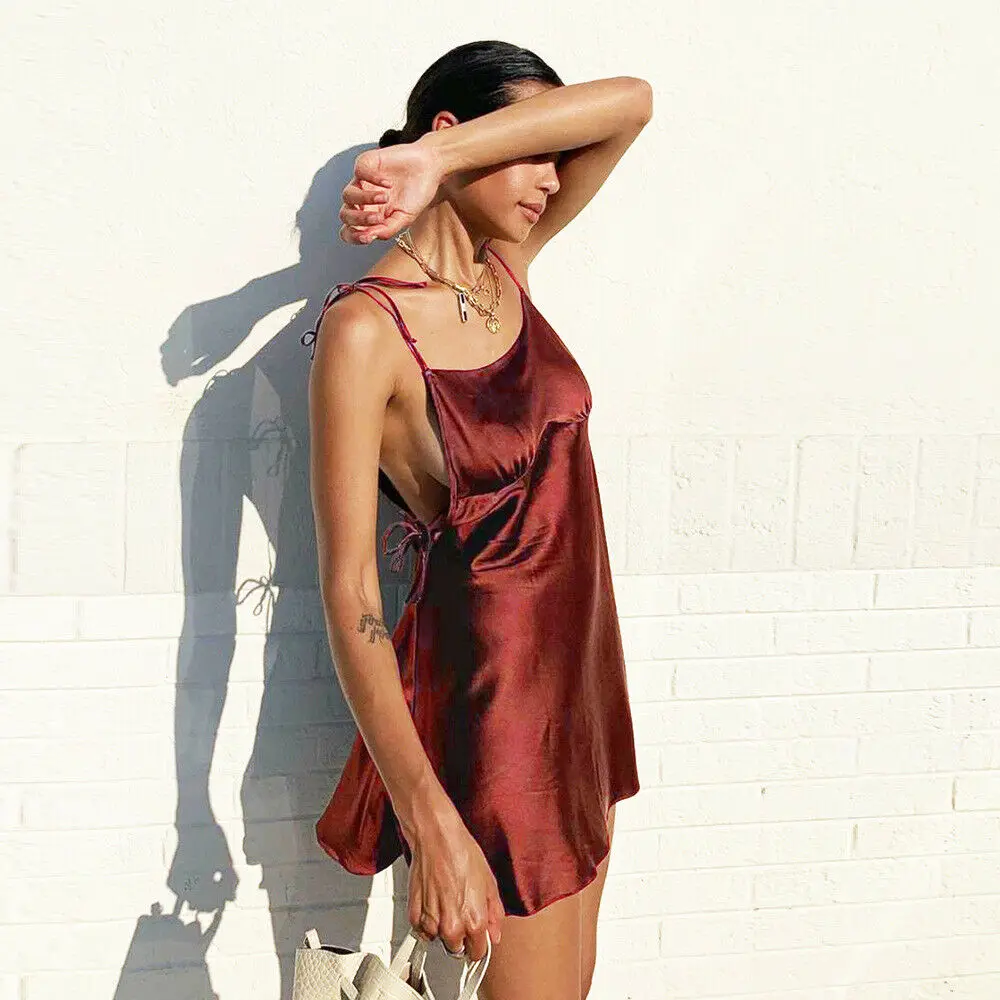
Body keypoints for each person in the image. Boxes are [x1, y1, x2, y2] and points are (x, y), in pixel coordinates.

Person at [304, 40, 653, 1000]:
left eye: (553, 150)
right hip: (495, 719)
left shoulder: (507, 268)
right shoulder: (367, 329)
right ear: (455, 130)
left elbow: (631, 102)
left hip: (581, 694)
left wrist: (436, 160)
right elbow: (350, 593)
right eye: (530, 148)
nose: (552, 176)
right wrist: (431, 821)